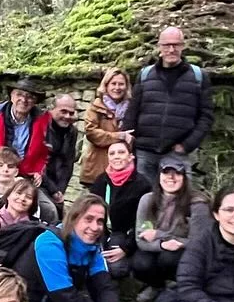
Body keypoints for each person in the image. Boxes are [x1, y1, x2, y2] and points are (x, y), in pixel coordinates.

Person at [125, 27, 214, 179]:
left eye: (176, 45)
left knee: (177, 200)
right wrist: (128, 144)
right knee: (143, 200)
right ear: (159, 46)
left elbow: (206, 116)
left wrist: (186, 145)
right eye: (166, 45)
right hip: (144, 153)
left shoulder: (198, 77)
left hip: (176, 154)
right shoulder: (145, 75)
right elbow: (132, 111)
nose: (171, 50)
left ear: (183, 46)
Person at [131, 154, 210, 302]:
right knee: (140, 263)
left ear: (185, 178)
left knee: (168, 258)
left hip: (184, 254)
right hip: (159, 249)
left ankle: (177, 288)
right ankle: (157, 287)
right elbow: (140, 239)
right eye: (166, 172)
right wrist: (162, 244)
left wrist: (159, 235)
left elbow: (199, 242)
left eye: (177, 173)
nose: (171, 178)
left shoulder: (198, 204)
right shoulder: (147, 200)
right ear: (159, 175)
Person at [87, 140, 153, 280]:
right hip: (100, 230)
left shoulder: (143, 185)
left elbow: (146, 223)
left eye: (121, 152)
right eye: (112, 153)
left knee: (116, 268)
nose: (116, 156)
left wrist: (126, 248)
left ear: (131, 157)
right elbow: (87, 209)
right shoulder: (101, 180)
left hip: (125, 235)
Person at [81, 67, 134, 188]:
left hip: (123, 167)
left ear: (126, 86)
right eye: (113, 83)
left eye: (121, 84)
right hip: (98, 167)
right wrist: (119, 136)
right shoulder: (95, 107)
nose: (117, 87)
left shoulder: (132, 108)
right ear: (106, 85)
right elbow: (91, 133)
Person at [41, 94, 79, 217]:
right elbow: (37, 163)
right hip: (38, 182)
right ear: (51, 110)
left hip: (57, 185)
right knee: (50, 211)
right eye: (63, 111)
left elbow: (68, 163)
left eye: (71, 113)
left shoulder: (72, 132)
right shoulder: (41, 127)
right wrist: (53, 190)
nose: (67, 116)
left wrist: (60, 190)